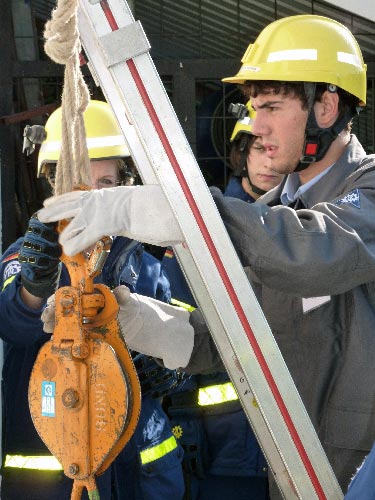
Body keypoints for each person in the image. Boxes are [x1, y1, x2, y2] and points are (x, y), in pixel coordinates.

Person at [38, 13, 374, 496]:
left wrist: (188, 214)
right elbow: (241, 335)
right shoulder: (270, 214)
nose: (256, 125)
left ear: (326, 106)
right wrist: (138, 319)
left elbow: (318, 251)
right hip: (297, 473)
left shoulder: (365, 192)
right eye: (253, 107)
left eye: (273, 106)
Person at [0, 100, 185, 500]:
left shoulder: (146, 264)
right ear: (53, 184)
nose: (92, 199)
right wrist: (36, 284)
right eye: (79, 183)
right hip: (51, 479)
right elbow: (12, 324)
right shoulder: (24, 258)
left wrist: (167, 370)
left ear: (125, 187)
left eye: (106, 185)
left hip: (140, 475)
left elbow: (186, 346)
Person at [161, 102, 283, 500]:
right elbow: (177, 329)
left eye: (274, 148)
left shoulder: (305, 226)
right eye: (257, 148)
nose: (268, 161)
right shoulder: (202, 230)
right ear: (240, 153)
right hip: (220, 444)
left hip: (292, 438)